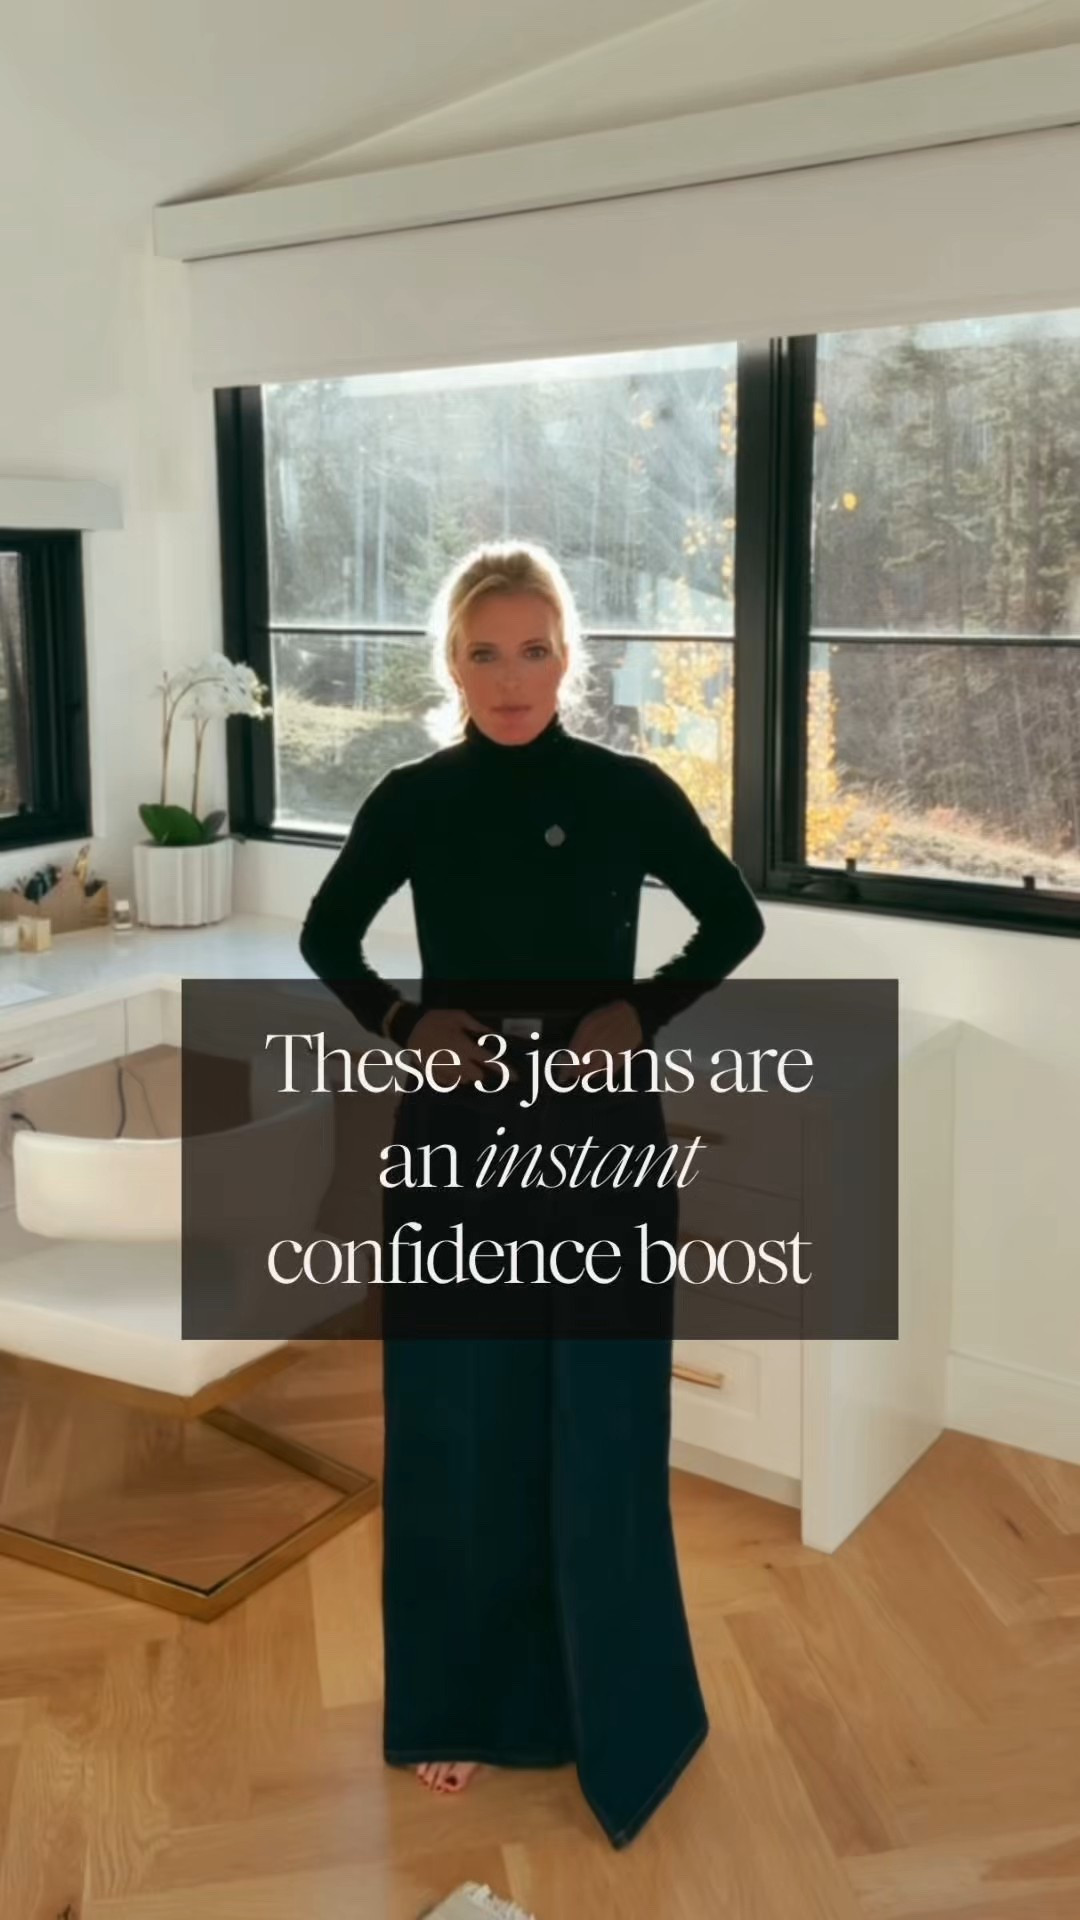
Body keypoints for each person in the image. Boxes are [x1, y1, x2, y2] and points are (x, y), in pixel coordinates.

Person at [298, 540, 765, 1848]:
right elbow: (328, 935)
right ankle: (459, 1703)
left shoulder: (627, 790)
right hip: (457, 1134)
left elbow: (732, 920)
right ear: (450, 665)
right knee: (460, 1417)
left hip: (601, 1131)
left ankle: (612, 1702)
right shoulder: (412, 798)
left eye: (536, 649)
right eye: (485, 652)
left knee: (601, 1416)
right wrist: (405, 1023)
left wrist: (642, 1011)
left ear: (570, 660)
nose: (512, 677)